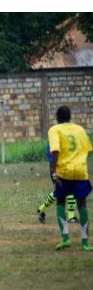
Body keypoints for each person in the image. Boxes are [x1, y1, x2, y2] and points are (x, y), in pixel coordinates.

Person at [47, 106, 93, 251]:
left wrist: (54, 173)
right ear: (70, 116)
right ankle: (85, 243)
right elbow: (88, 150)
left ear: (57, 117)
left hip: (64, 172)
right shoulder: (80, 130)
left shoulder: (54, 130)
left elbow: (55, 152)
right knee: (82, 205)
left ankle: (66, 239)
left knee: (60, 202)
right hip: (80, 172)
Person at [37, 143, 77, 224]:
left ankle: (41, 209)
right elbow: (53, 158)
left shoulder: (61, 137)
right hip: (56, 169)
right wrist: (54, 173)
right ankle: (42, 209)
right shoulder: (53, 140)